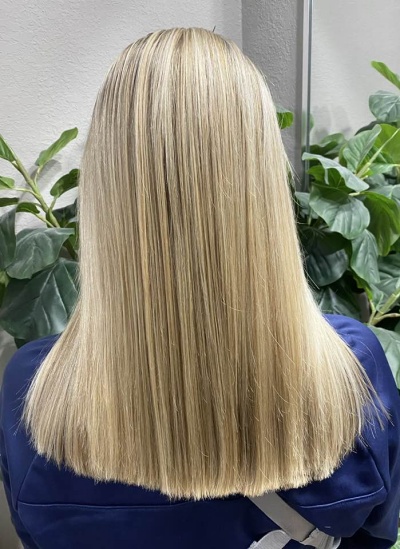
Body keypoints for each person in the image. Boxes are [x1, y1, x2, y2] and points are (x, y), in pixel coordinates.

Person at [1, 27, 399, 549]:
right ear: (262, 182)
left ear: (106, 183)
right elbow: (376, 534)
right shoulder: (352, 373)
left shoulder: (35, 392)